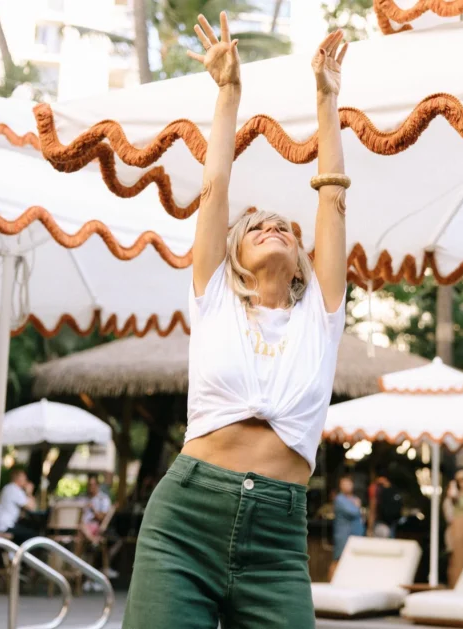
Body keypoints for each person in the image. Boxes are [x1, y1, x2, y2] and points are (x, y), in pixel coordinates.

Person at [123, 13, 349, 628]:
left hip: (277, 540)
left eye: (282, 227)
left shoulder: (321, 316)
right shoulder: (215, 298)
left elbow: (332, 197)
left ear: (301, 259)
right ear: (234, 258)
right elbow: (215, 185)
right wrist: (228, 93)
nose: (271, 226)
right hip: (184, 523)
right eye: (254, 228)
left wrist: (326, 100)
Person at [329, 476, 364, 580]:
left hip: (356, 534)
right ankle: (330, 582)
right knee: (338, 559)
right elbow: (353, 512)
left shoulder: (354, 498)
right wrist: (357, 505)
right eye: (344, 483)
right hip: (343, 535)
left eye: (348, 483)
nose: (347, 486)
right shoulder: (339, 499)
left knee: (353, 560)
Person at [0, 467, 37, 545]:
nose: (26, 481)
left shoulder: (8, 487)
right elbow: (32, 508)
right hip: (5, 527)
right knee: (32, 535)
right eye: (24, 478)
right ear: (19, 479)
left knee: (25, 529)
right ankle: (18, 552)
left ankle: (14, 551)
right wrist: (29, 492)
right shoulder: (15, 490)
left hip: (1, 524)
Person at [368, 467, 403, 538]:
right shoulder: (394, 489)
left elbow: (373, 508)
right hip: (392, 523)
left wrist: (370, 528)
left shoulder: (375, 488)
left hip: (380, 523)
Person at [78, 474, 111, 547]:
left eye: (92, 484)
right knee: (80, 526)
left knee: (80, 528)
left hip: (95, 526)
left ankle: (93, 541)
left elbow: (101, 518)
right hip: (84, 525)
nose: (90, 487)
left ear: (97, 485)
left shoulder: (103, 499)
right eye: (89, 485)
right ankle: (94, 541)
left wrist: (93, 509)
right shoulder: (85, 498)